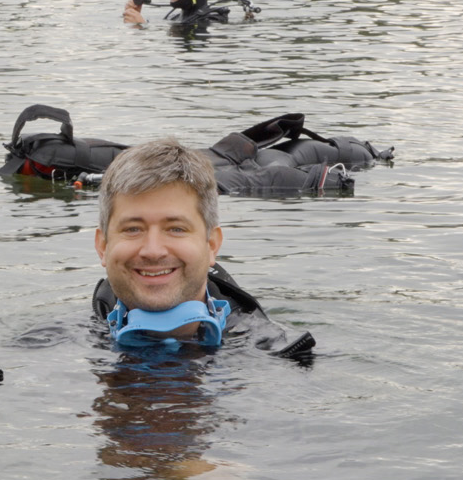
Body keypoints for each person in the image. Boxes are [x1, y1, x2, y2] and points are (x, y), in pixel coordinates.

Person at [92, 136, 314, 358]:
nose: (153, 251)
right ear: (103, 246)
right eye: (133, 229)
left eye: (176, 229)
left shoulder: (276, 356)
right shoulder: (66, 343)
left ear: (212, 245)